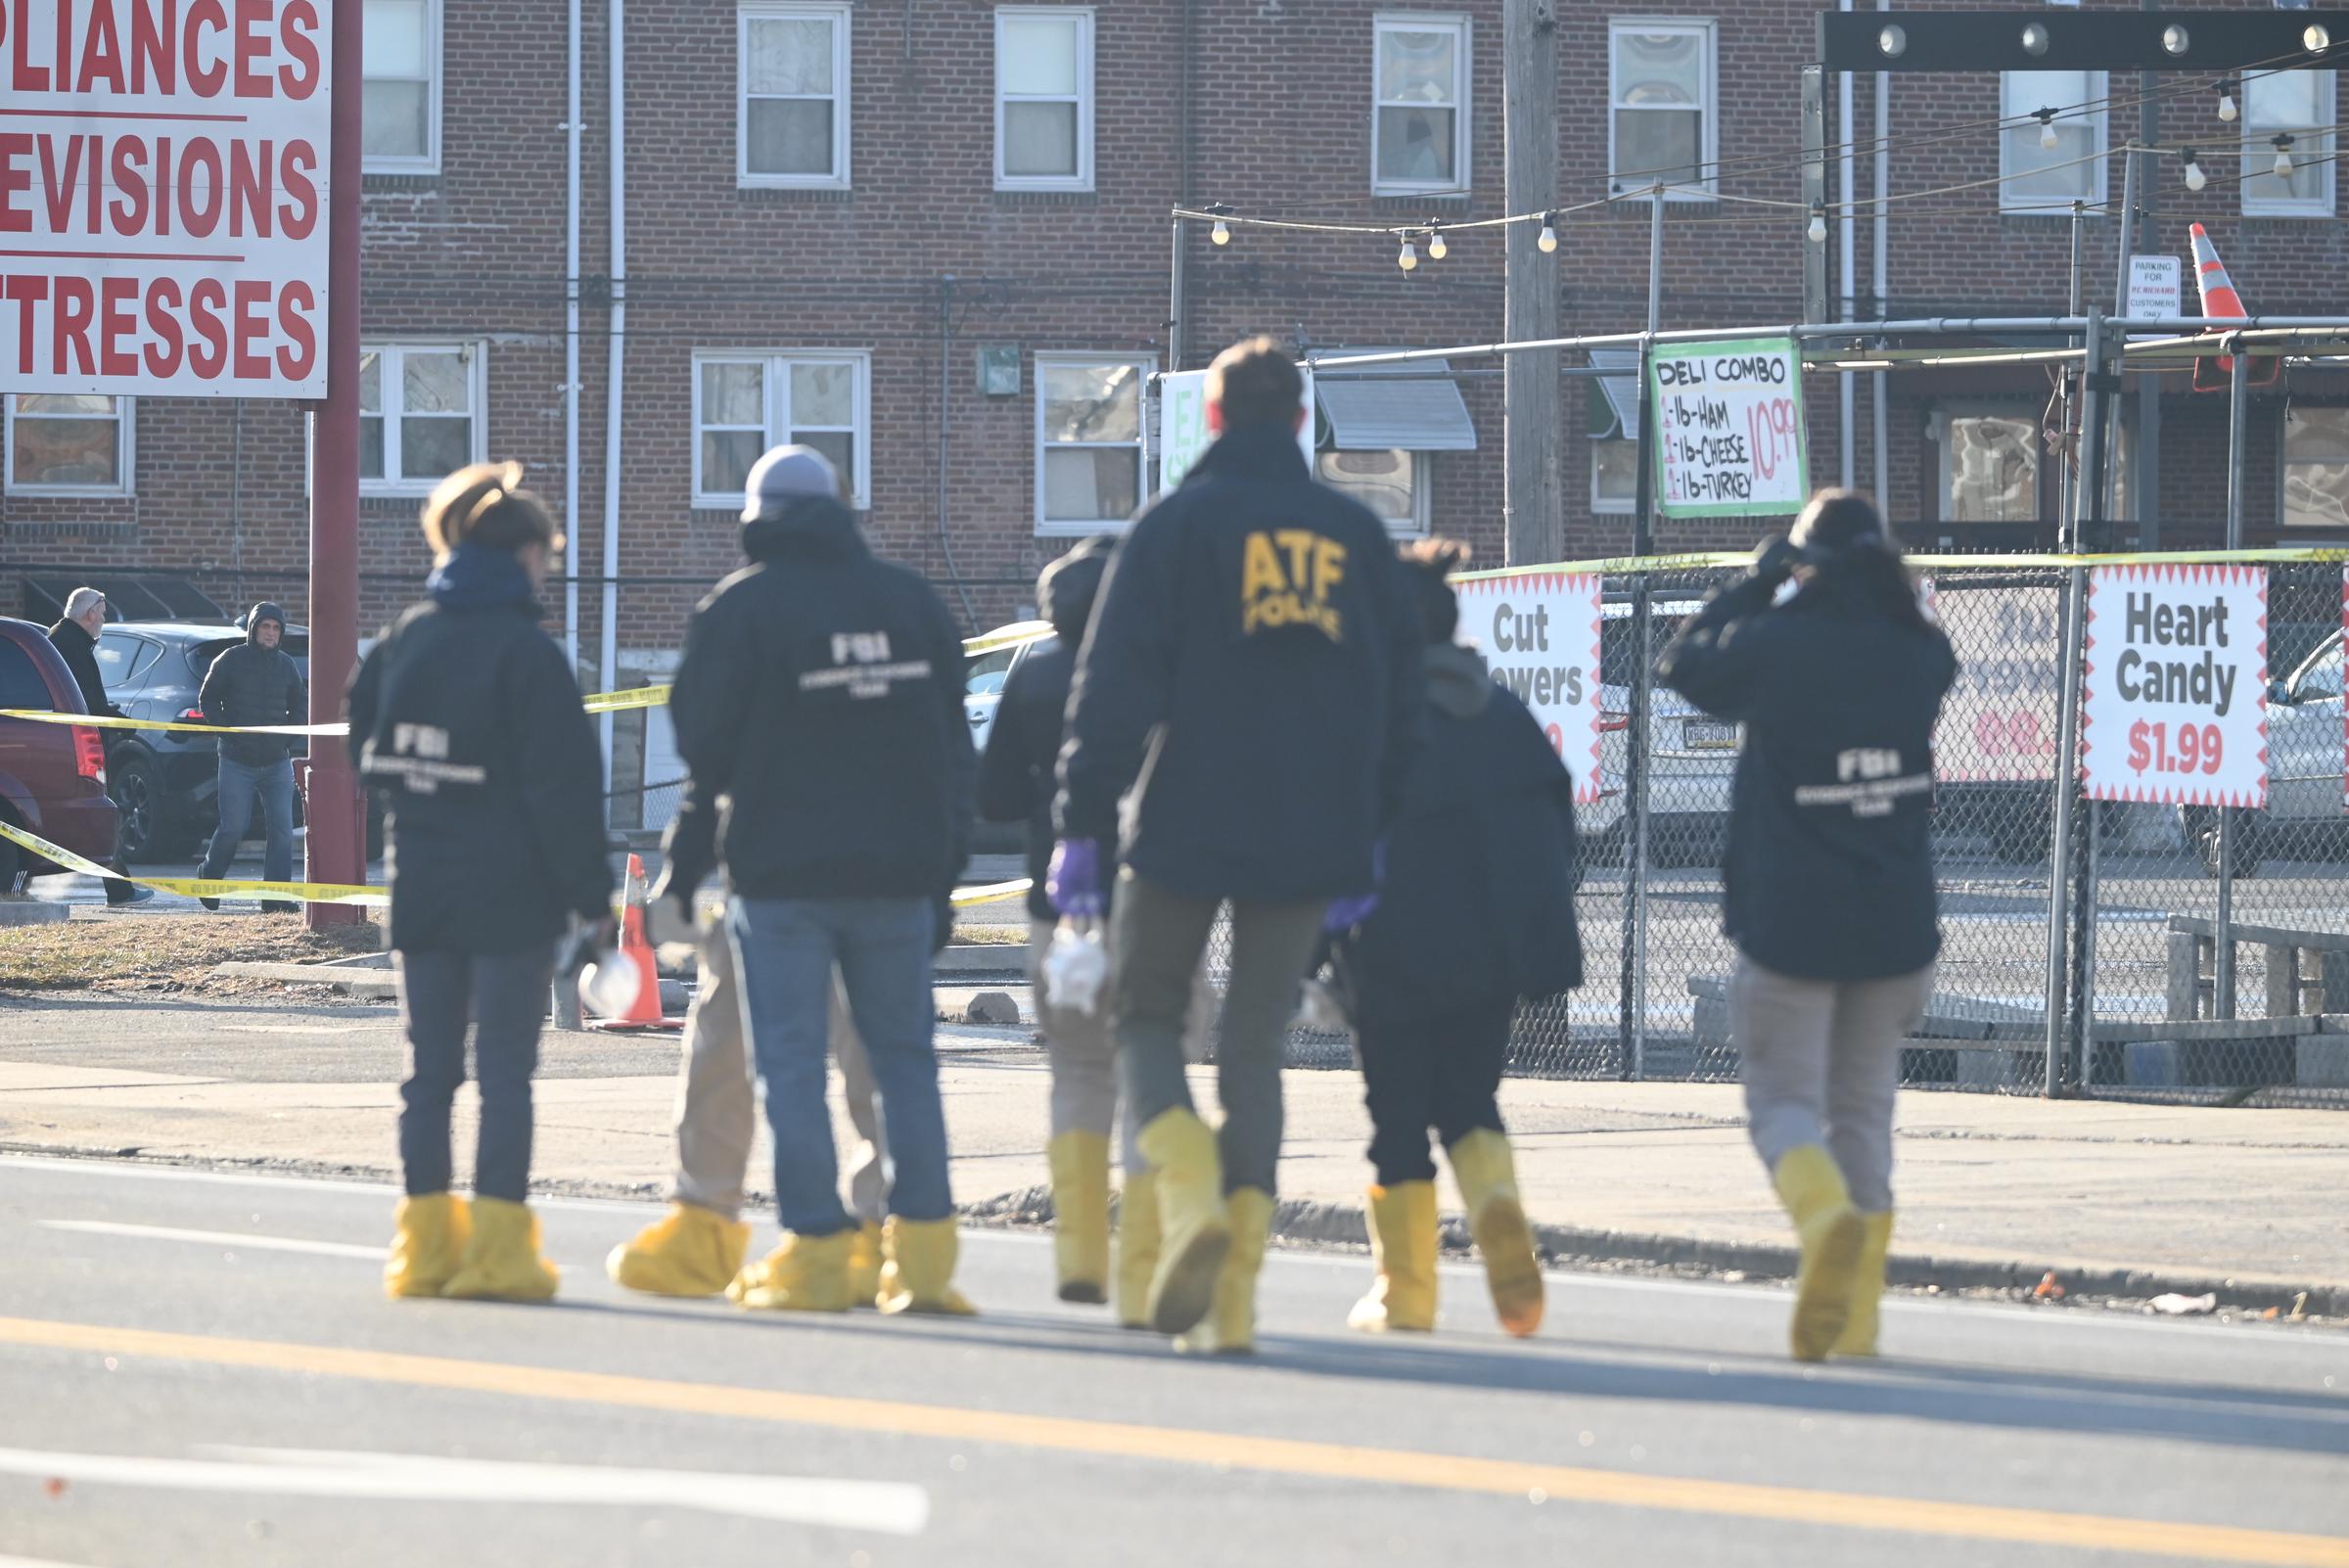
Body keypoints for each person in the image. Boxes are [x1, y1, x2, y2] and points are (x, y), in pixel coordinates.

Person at [1053, 337, 1425, 1353]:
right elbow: (1401, 703)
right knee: (1257, 1046)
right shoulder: (1355, 534)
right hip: (1313, 830)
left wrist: (1082, 829)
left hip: (1184, 819)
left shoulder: (1172, 529)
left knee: (1146, 1017)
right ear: (1302, 423)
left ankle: (1189, 1191)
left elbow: (1111, 695)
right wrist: (1372, 839)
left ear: (1213, 420)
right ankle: (1235, 1305)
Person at [668, 443, 976, 1316]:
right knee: (904, 1065)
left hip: (784, 879)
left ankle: (816, 1251)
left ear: (754, 518)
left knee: (792, 1068)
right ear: (843, 507)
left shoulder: (743, 610)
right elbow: (957, 758)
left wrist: (686, 865)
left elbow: (703, 749)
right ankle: (921, 1261)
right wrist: (944, 878)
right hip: (900, 879)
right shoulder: (912, 604)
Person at [1657, 488, 1957, 1361]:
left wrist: (1754, 587)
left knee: (1784, 1103)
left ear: (1805, 568)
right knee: (1863, 1115)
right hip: (1895, 919)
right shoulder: (1920, 653)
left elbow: (1681, 667)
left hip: (1792, 918)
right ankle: (1855, 1320)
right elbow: (1915, 644)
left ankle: (1822, 1222)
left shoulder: (1778, 648)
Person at [348, 461, 615, 1304]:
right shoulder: (530, 657)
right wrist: (592, 900)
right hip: (512, 896)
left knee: (428, 1075)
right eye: (549, 556)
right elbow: (564, 792)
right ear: (527, 553)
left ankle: (424, 1250)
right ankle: (499, 1253)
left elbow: (365, 756)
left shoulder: (403, 641)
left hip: (422, 883)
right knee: (504, 1074)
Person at [1335, 540, 1580, 1340]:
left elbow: (1328, 842)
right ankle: (1499, 1211)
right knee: (1470, 1100)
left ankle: (1405, 1293)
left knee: (1398, 1119)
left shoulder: (1371, 718)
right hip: (1495, 954)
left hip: (1391, 948)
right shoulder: (1507, 715)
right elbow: (1559, 832)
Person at [977, 535, 1189, 1319]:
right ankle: (1140, 1264)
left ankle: (1079, 1255)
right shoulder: (1164, 673)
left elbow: (993, 796)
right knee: (1148, 1075)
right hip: (1159, 899)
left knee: (1075, 1074)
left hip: (1054, 908)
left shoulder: (1030, 673)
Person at [195, 600, 306, 913]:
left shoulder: (287, 665)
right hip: (236, 760)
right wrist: (229, 735)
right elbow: (208, 699)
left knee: (283, 831)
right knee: (234, 827)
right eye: (265, 627)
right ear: (253, 630)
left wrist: (287, 738)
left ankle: (275, 898)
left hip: (276, 762)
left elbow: (300, 705)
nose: (270, 633)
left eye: (275, 628)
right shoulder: (230, 660)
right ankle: (210, 877)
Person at [46, 586, 153, 906]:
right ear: (90, 613)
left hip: (65, 744)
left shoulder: (62, 641)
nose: (103, 619)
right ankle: (119, 890)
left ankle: (119, 888)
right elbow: (84, 701)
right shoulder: (71, 647)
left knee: (88, 813)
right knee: (95, 813)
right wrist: (117, 720)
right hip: (75, 747)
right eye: (103, 613)